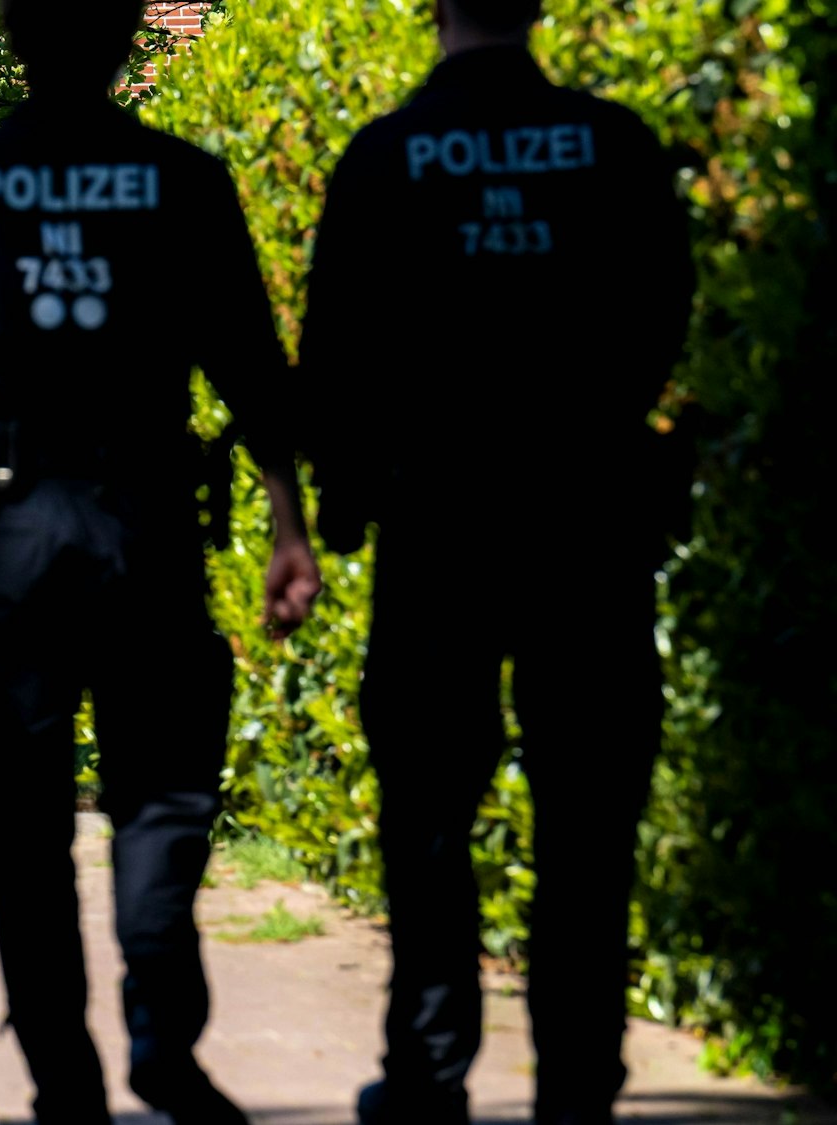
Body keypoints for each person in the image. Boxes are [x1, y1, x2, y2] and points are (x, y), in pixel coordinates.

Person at [0, 0, 322, 1120]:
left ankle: (64, 1079)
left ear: (15, 37)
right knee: (161, 793)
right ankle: (162, 1036)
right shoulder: (182, 180)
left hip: (14, 542)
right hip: (147, 529)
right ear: (124, 37)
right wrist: (287, 524)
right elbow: (251, 365)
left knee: (19, 821)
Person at [296, 1, 695, 1121]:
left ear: (433, 11)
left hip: (438, 529)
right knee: (587, 809)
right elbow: (665, 305)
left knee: (425, 809)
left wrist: (342, 496)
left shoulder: (384, 157)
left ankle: (427, 1071)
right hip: (586, 525)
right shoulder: (611, 144)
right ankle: (578, 1081)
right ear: (533, 9)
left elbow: (331, 352)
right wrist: (602, 420)